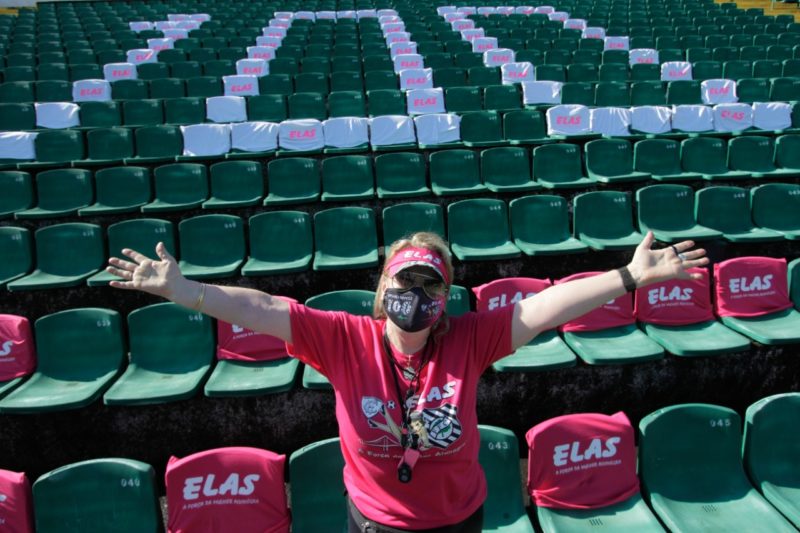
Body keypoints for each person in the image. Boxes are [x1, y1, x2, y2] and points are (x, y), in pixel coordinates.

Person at [106, 230, 707, 533]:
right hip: (376, 525)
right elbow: (260, 307)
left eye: (430, 287)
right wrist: (185, 292)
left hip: (460, 518)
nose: (414, 297)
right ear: (382, 288)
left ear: (445, 299)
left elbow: (547, 306)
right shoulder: (342, 338)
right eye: (405, 282)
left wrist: (628, 276)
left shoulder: (471, 339)